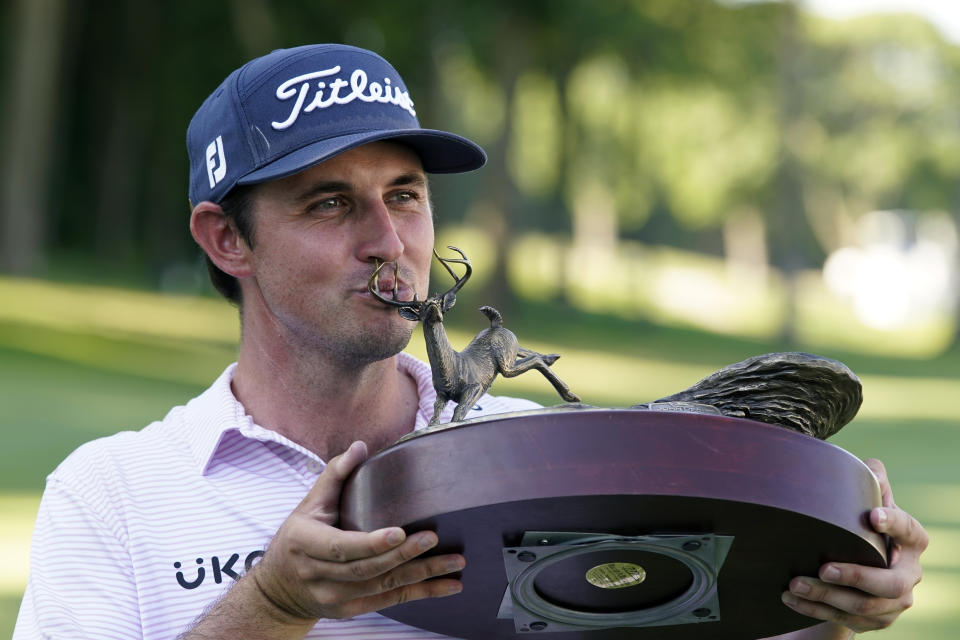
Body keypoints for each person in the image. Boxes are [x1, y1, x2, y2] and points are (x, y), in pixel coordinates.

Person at [14, 44, 927, 640]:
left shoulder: (548, 457)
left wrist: (822, 604)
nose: (387, 239)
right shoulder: (112, 498)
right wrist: (275, 604)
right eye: (330, 203)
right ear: (225, 239)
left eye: (404, 195)